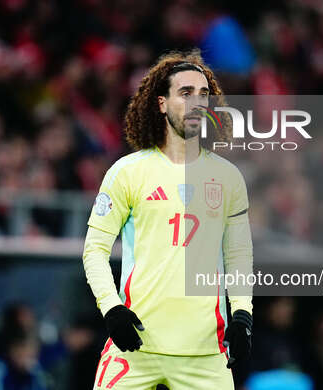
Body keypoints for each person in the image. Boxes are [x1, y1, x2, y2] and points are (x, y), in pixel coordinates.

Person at [82, 49, 254, 389]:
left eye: (203, 94)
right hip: (135, 344)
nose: (196, 102)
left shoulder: (228, 177)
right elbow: (95, 250)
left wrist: (242, 314)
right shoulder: (127, 172)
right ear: (161, 103)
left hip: (205, 351)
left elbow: (239, 257)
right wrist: (112, 310)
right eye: (185, 93)